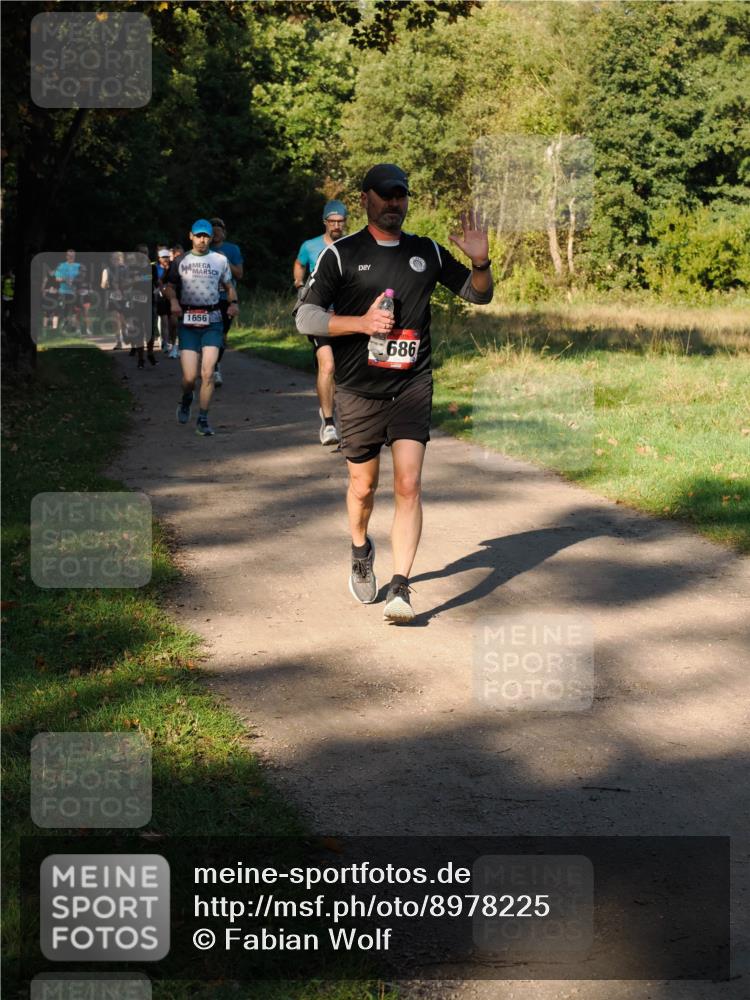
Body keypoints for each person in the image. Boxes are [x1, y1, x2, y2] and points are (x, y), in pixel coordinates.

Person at [295, 164, 493, 622]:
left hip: (411, 383)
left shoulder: (427, 251)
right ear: (365, 199)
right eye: (384, 195)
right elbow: (306, 317)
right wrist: (360, 324)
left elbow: (478, 295)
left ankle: (401, 587)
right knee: (363, 488)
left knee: (409, 484)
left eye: (400, 195)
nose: (393, 203)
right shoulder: (341, 255)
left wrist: (480, 263)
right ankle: (361, 549)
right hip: (358, 389)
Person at [163, 219, 238, 437]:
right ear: (191, 236)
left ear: (211, 238)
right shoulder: (181, 260)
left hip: (213, 320)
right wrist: (174, 302)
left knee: (207, 374)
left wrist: (233, 303)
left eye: (206, 236)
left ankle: (203, 419)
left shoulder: (220, 260)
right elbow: (168, 286)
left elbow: (229, 286)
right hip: (188, 322)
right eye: (198, 235)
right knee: (189, 378)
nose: (202, 240)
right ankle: (187, 398)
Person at [294, 200, 348, 446]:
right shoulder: (310, 245)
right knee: (327, 365)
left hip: (348, 315)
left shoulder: (353, 246)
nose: (336, 226)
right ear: (325, 222)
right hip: (319, 313)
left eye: (340, 221)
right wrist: (298, 283)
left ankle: (340, 413)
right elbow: (299, 264)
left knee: (344, 369)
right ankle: (328, 423)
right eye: (332, 221)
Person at [209, 217, 243, 387]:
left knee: (222, 336)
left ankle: (215, 364)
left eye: (218, 231)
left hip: (226, 298)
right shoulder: (202, 249)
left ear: (224, 232)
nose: (215, 234)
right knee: (211, 335)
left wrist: (225, 260)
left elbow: (239, 274)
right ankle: (214, 369)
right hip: (206, 299)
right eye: (212, 231)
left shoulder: (232, 249)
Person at [54, 249, 81, 334]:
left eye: (73, 256)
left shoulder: (78, 266)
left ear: (75, 256)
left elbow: (81, 278)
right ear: (66, 256)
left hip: (74, 292)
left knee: (74, 311)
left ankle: (74, 328)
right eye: (69, 256)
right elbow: (57, 278)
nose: (71, 257)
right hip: (63, 292)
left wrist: (74, 281)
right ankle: (63, 328)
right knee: (64, 310)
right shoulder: (61, 266)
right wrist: (66, 280)